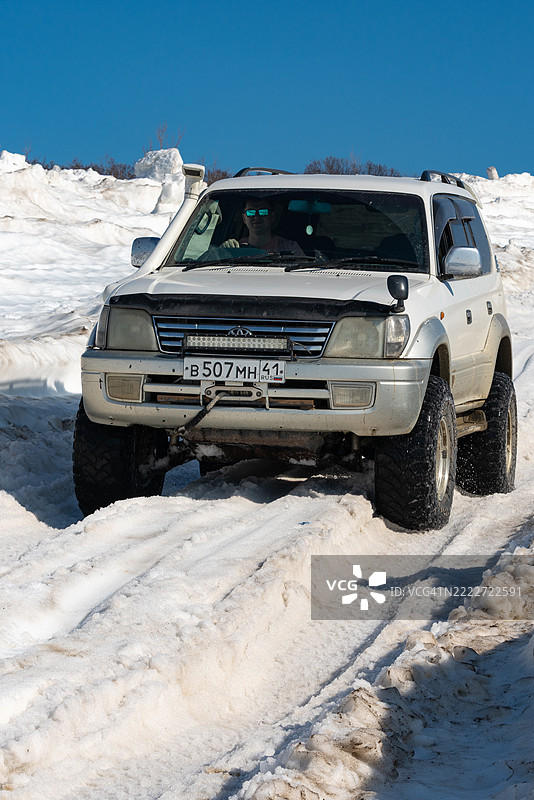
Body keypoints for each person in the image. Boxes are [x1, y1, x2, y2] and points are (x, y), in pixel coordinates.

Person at [223, 199, 305, 255]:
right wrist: (223, 250)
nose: (256, 217)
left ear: (272, 217)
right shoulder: (235, 249)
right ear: (244, 218)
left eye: (263, 212)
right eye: (250, 212)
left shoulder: (290, 248)